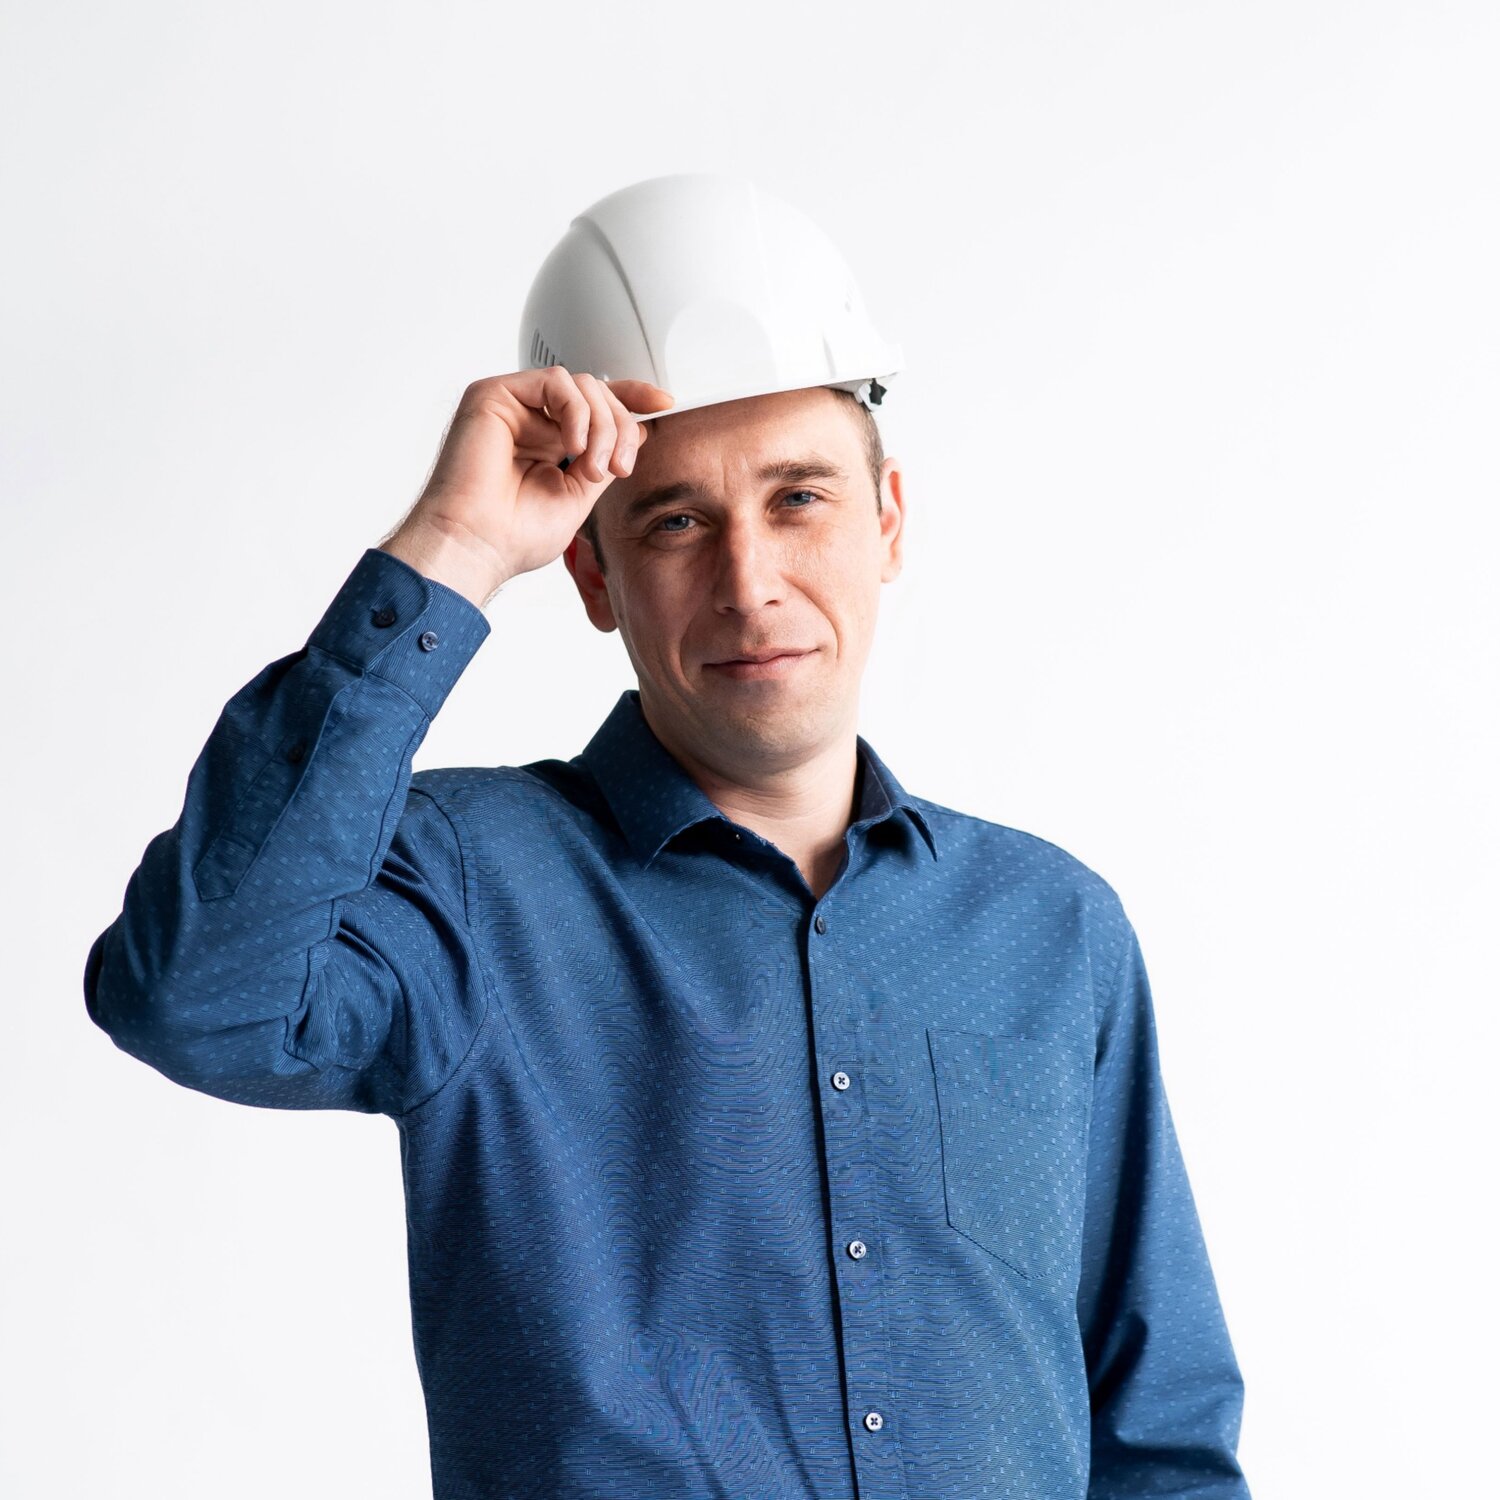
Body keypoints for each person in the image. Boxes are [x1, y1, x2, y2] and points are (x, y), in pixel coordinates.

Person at [84, 173, 1253, 1499]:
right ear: (595, 573)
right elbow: (194, 998)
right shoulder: (467, 884)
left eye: (799, 499)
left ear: (888, 522)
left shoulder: (1051, 925)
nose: (750, 585)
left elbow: (1157, 1432)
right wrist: (456, 543)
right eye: (678, 522)